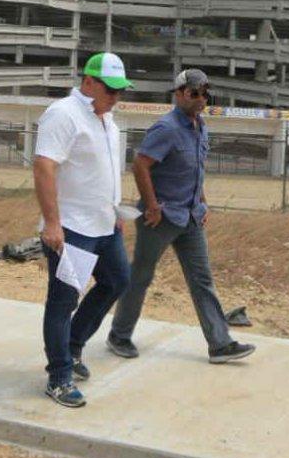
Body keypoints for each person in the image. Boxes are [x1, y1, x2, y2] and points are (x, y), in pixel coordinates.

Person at [108, 69, 255, 364]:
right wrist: (151, 205)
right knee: (141, 276)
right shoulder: (167, 128)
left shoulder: (201, 127)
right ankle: (119, 335)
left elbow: (195, 170)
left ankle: (220, 344)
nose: (200, 99)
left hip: (190, 218)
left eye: (204, 93)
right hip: (160, 219)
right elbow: (140, 165)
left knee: (202, 280)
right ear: (178, 94)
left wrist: (202, 202)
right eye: (194, 92)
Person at [32, 52, 133, 408]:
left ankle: (73, 347)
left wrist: (116, 208)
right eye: (110, 90)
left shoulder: (109, 120)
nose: (116, 97)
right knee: (62, 302)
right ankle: (58, 377)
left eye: (120, 91)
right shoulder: (64, 114)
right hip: (72, 228)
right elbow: (44, 167)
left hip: (105, 225)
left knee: (118, 280)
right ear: (88, 82)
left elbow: (103, 170)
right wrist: (53, 223)